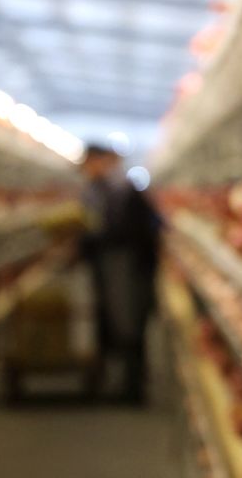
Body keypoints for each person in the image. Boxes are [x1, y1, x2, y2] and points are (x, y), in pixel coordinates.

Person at [79, 144, 161, 405]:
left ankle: (133, 387)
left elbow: (144, 231)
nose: (88, 169)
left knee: (128, 322)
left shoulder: (124, 191)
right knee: (119, 320)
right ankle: (126, 382)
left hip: (126, 265)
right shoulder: (101, 191)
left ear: (104, 161)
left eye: (91, 162)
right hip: (116, 264)